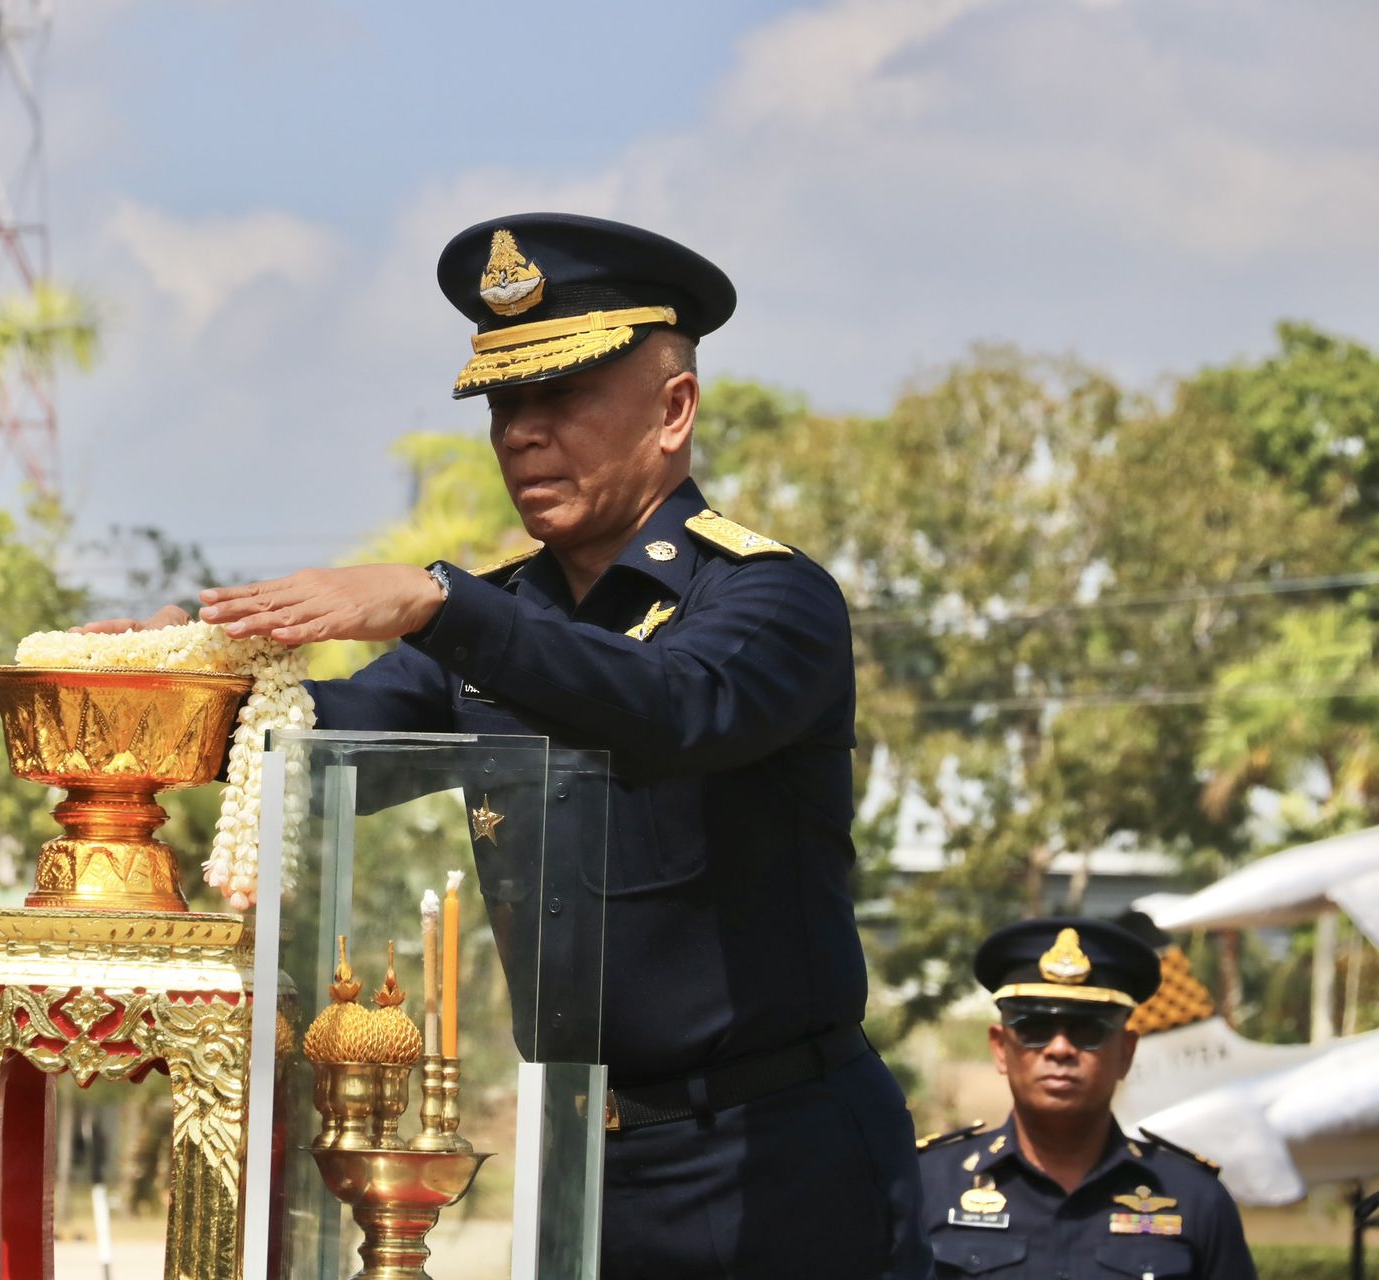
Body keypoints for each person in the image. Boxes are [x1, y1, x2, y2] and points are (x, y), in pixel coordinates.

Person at [90, 212, 928, 1276]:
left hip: (775, 1159)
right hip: (581, 1154)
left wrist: (445, 604)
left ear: (673, 409)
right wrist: (171, 684)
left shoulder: (767, 597)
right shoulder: (496, 620)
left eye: (561, 396)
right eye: (504, 404)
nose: (523, 434)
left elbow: (678, 708)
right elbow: (319, 744)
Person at [916, 917, 1256, 1278]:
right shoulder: (929, 1187)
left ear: (1126, 1053)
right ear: (1000, 1048)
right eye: (1034, 1029)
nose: (1060, 1049)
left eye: (1087, 1031)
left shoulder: (1195, 1198)